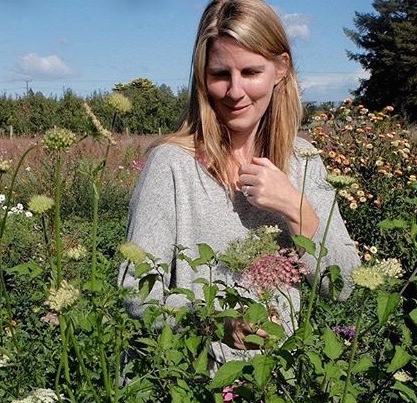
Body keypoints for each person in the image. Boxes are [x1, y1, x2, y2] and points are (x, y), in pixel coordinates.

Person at [120, 0, 360, 366]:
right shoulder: (171, 165)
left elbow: (343, 285)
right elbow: (137, 291)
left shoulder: (304, 162)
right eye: (220, 74)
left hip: (276, 385)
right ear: (202, 77)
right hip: (188, 383)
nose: (235, 91)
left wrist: (295, 207)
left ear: (281, 69)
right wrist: (215, 321)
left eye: (250, 72)